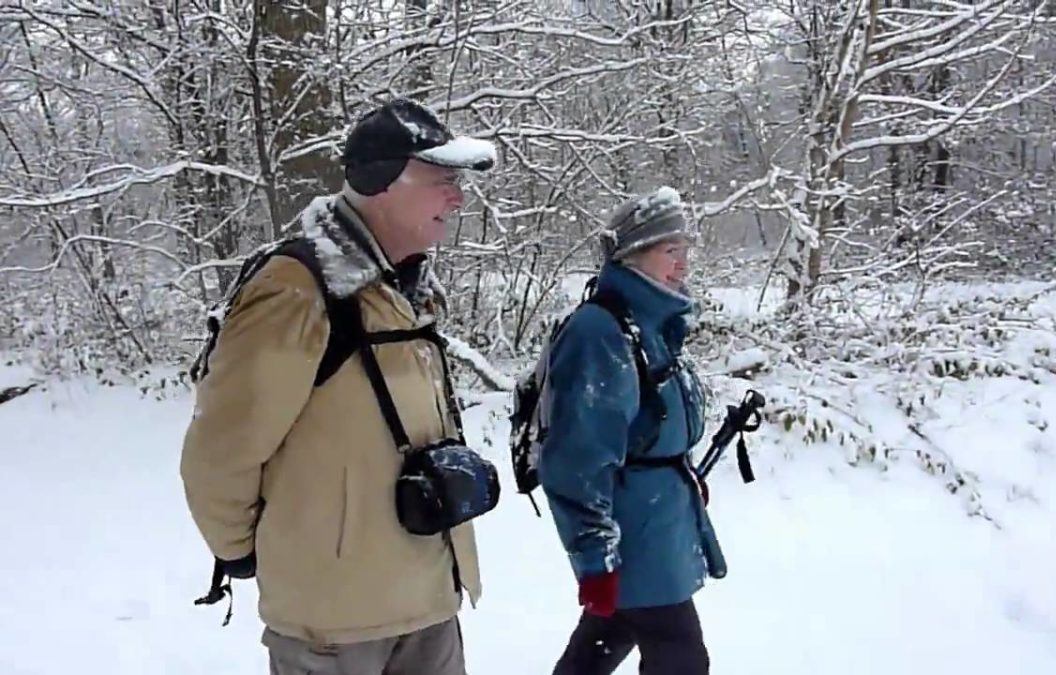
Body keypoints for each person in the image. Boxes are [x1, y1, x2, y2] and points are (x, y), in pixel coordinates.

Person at [180, 98, 496, 675]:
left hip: (426, 601)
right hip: (334, 626)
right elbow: (219, 453)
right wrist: (258, 553)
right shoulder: (296, 290)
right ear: (382, 182)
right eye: (442, 181)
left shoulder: (405, 289)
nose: (457, 198)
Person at [537, 186, 725, 675]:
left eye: (686, 250)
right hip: (633, 534)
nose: (683, 264)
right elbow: (576, 458)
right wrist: (595, 557)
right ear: (631, 256)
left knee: (601, 644)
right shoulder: (601, 331)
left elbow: (651, 425)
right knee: (681, 657)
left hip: (654, 521)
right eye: (670, 251)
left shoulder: (650, 325)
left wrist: (677, 476)